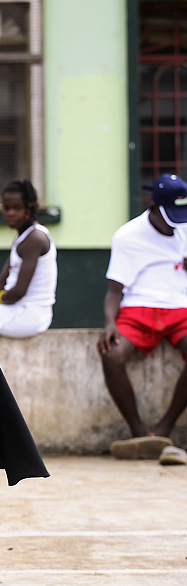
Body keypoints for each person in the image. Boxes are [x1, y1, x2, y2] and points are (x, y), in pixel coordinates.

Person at [98, 173, 187, 465]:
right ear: (153, 207)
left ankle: (162, 431)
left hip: (180, 308)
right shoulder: (128, 236)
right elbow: (114, 291)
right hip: (138, 309)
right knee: (111, 355)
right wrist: (110, 323)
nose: (176, 222)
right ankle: (138, 433)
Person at [0, 179, 57, 339]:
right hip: (18, 309)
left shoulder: (35, 238)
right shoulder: (22, 237)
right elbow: (1, 282)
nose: (10, 213)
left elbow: (19, 292)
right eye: (6, 208)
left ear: (31, 208)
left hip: (30, 314)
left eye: (17, 208)